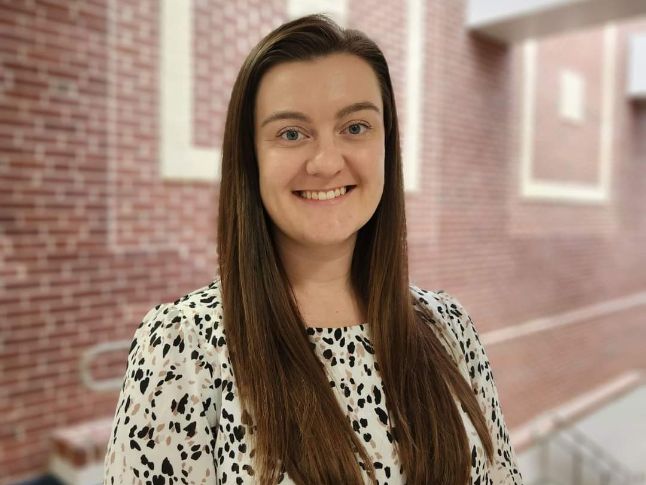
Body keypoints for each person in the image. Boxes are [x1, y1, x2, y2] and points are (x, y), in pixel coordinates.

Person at [104, 13, 523, 485]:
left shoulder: (449, 329)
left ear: (387, 145)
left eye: (355, 127)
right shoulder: (183, 346)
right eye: (291, 133)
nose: (325, 162)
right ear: (252, 159)